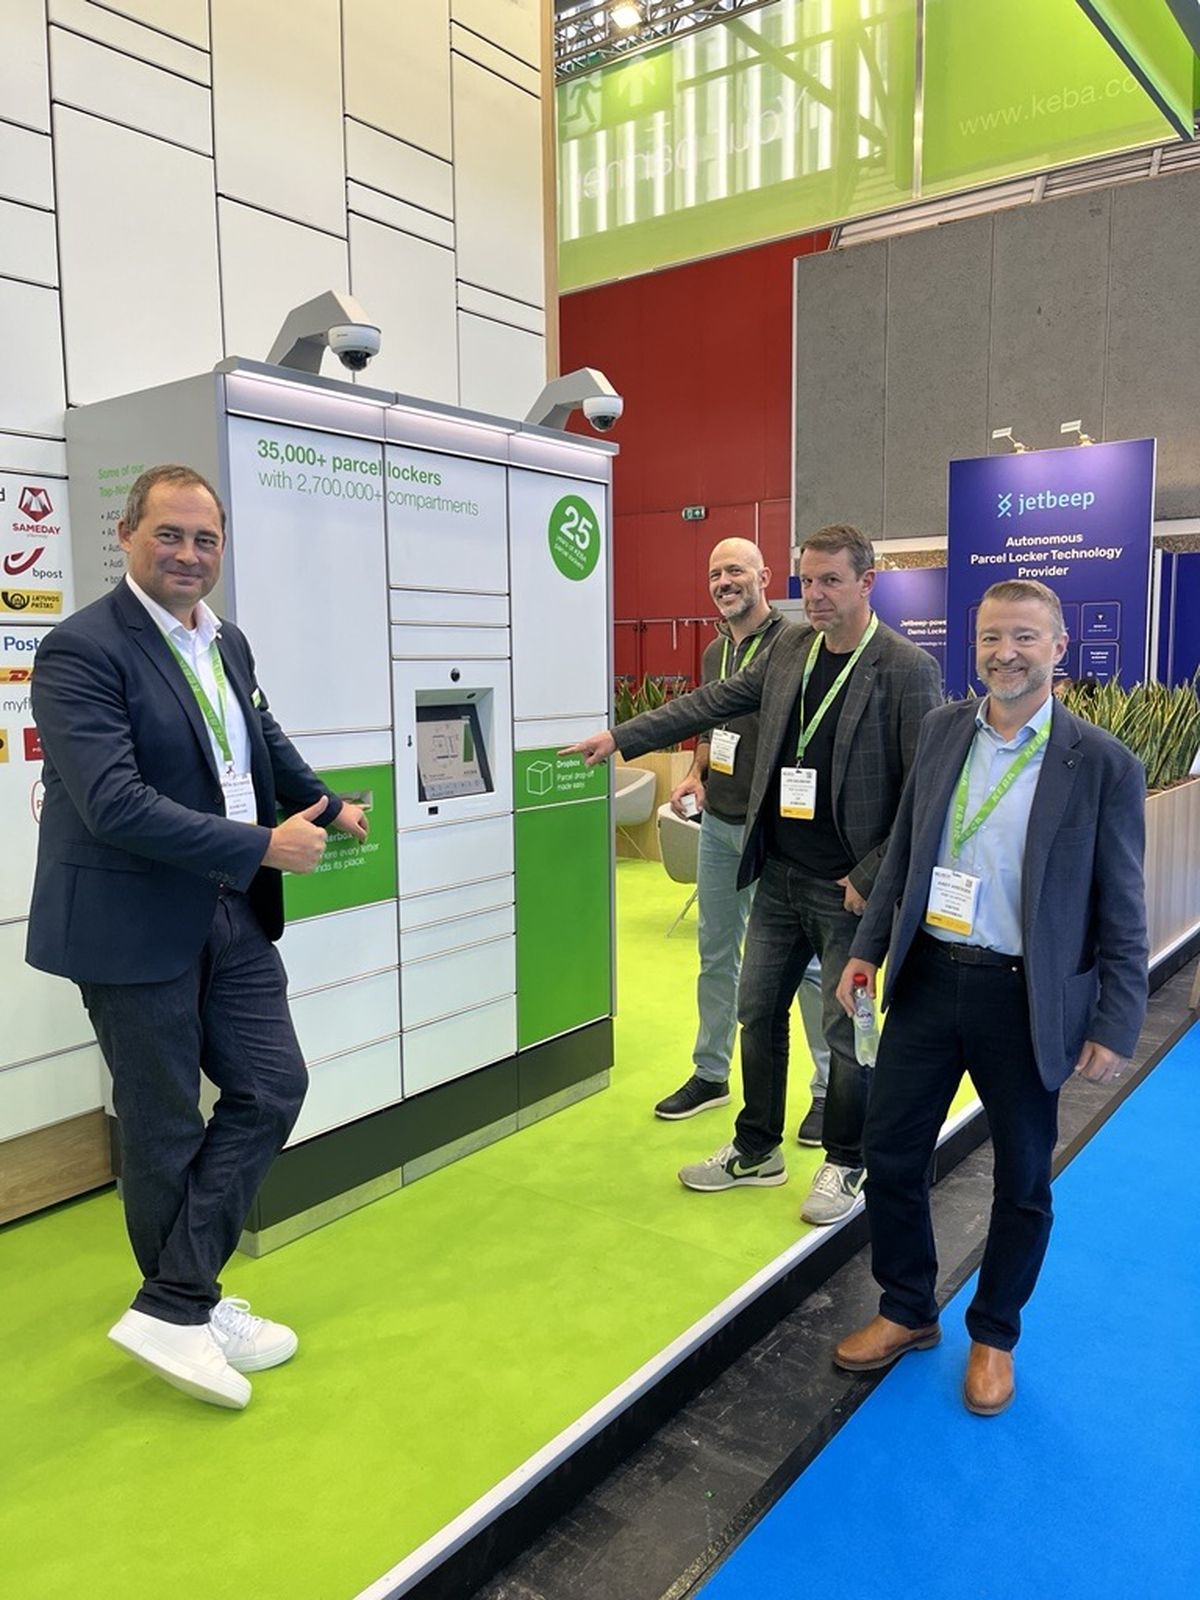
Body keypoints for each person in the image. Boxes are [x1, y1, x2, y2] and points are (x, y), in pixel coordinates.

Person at [27, 464, 368, 1411]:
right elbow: (112, 803)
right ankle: (188, 1304)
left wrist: (326, 803)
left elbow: (257, 741)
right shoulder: (80, 651)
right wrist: (265, 842)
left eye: (204, 539)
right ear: (128, 535)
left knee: (273, 1085)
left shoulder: (227, 642)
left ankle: (175, 1301)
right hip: (132, 916)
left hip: (227, 905)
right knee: (168, 1121)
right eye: (168, 535)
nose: (187, 554)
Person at [832, 579, 1147, 1415]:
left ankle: (995, 1333)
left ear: (1058, 649)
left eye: (1024, 638)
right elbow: (902, 856)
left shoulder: (1104, 764)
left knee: (1022, 1181)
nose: (1004, 653)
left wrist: (1117, 1021)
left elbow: (1122, 904)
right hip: (930, 978)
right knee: (891, 1153)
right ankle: (906, 1309)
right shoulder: (942, 733)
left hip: (1026, 998)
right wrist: (867, 955)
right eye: (990, 639)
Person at [567, 526, 941, 1222]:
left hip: (848, 893)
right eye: (809, 581)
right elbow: (712, 703)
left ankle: (845, 1162)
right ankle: (756, 1149)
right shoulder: (791, 649)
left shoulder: (904, 667)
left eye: (832, 580)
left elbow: (925, 792)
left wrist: (871, 874)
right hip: (780, 873)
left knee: (845, 1031)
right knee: (757, 1011)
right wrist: (624, 735)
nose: (817, 595)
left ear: (867, 583)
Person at [655, 537, 829, 1145]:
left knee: (801, 964)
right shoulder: (712, 653)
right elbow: (710, 721)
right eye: (714, 572)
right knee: (715, 953)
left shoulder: (795, 645)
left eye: (735, 570)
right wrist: (696, 773)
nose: (724, 581)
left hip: (777, 832)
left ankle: (828, 1089)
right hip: (721, 823)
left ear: (764, 576)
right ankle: (711, 1073)